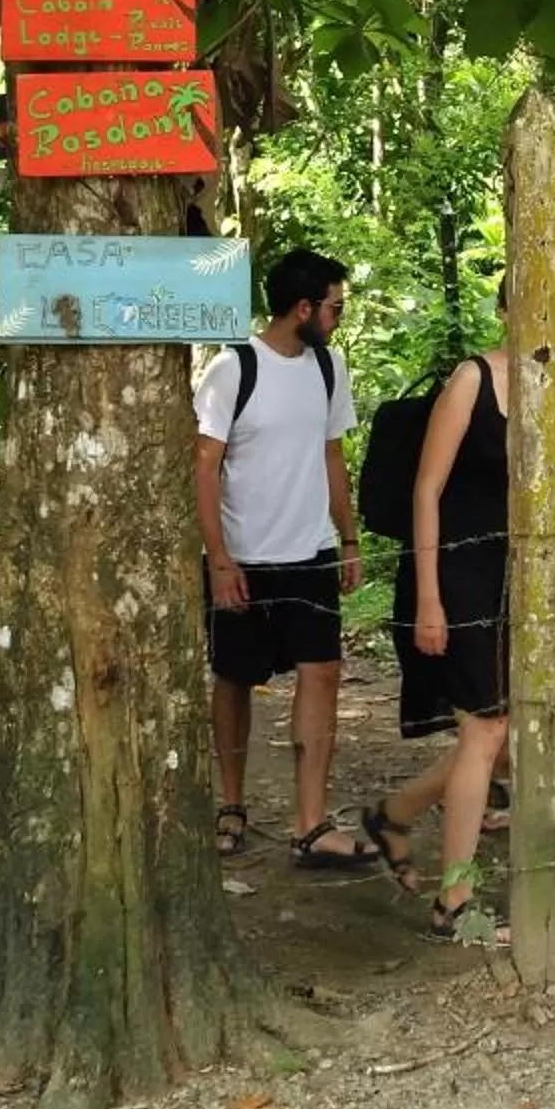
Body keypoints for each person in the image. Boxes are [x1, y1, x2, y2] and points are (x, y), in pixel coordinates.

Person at [363, 310, 555, 938]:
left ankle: (394, 815)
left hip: (521, 577)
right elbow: (426, 491)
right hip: (459, 571)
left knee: (500, 729)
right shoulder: (472, 379)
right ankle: (454, 902)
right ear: (509, 308)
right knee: (486, 731)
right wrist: (428, 597)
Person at [192, 247, 373, 871]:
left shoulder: (329, 368)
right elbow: (205, 465)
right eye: (334, 306)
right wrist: (219, 558)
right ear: (303, 307)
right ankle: (232, 805)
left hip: (311, 552)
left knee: (322, 672)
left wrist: (347, 539)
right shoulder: (232, 368)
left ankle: (311, 822)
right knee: (235, 678)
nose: (339, 317)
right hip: (244, 555)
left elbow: (333, 456)